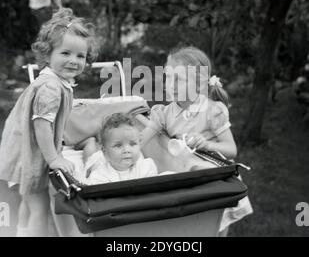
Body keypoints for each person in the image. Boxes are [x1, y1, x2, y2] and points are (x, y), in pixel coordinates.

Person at [0, 8, 98, 237]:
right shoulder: (51, 88)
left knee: (28, 201)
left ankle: (19, 232)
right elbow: (41, 125)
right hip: (29, 153)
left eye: (80, 56)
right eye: (65, 53)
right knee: (39, 207)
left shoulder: (55, 80)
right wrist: (54, 157)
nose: (74, 61)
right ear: (47, 54)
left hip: (22, 147)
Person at [140, 45, 253, 235]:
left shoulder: (212, 111)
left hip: (217, 184)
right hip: (191, 181)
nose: (171, 85)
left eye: (179, 80)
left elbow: (231, 149)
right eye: (168, 77)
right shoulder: (164, 113)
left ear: (199, 84)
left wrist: (208, 144)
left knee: (215, 229)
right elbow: (141, 139)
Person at [84, 113, 158, 185]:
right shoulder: (99, 174)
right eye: (118, 145)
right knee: (89, 156)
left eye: (132, 144)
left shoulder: (145, 167)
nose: (127, 150)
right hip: (97, 160)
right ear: (104, 152)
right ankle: (90, 142)